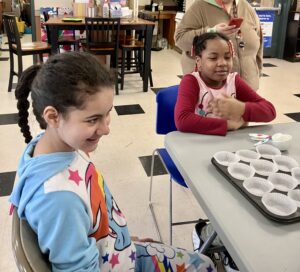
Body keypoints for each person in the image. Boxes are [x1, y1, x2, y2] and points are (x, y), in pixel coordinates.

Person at [9, 52, 216, 272]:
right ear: (52, 117)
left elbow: (89, 222)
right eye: (93, 119)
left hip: (117, 249)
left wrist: (123, 241)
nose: (106, 128)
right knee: (206, 266)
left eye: (107, 114)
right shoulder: (59, 200)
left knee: (204, 263)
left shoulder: (53, 144)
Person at [175, 32, 276, 136]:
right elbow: (183, 120)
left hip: (229, 144)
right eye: (213, 58)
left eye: (227, 57)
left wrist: (241, 108)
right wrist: (228, 125)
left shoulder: (233, 80)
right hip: (200, 143)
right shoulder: (191, 81)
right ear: (199, 62)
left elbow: (270, 111)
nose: (223, 63)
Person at [175, 0, 262, 91]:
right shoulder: (200, 7)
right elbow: (180, 39)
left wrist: (257, 72)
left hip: (248, 89)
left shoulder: (246, 7)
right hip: (209, 92)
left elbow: (259, 43)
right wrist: (211, 32)